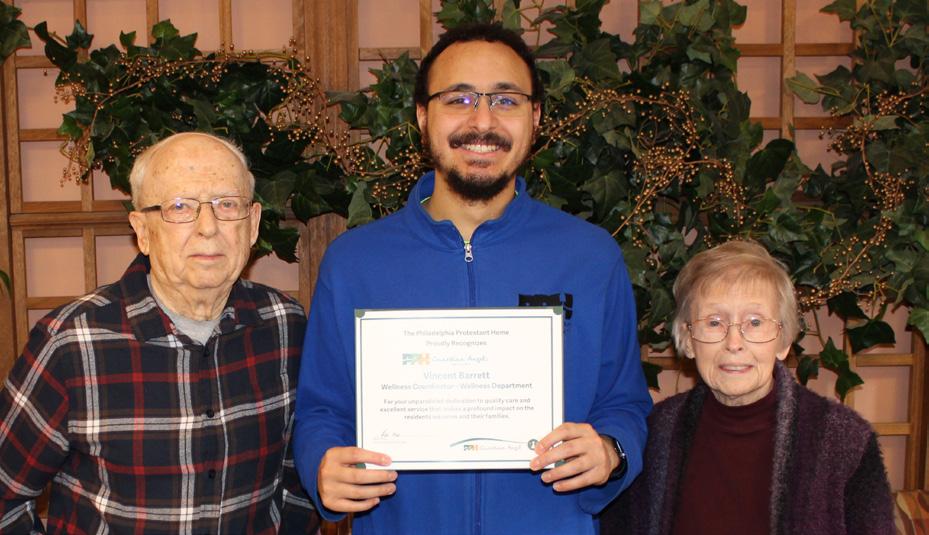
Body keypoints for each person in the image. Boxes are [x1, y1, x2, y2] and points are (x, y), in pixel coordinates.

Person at [293, 23, 652, 534]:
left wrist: (612, 451)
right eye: (458, 99)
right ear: (423, 116)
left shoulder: (591, 257)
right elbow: (321, 410)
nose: (482, 121)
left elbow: (625, 403)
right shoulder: (354, 262)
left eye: (506, 100)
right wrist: (322, 464)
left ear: (535, 117)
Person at [0, 132, 319, 534]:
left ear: (252, 224)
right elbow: (6, 495)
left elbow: (299, 476)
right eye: (180, 207)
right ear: (143, 231)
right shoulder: (72, 341)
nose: (208, 227)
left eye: (227, 204)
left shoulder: (285, 326)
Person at [600, 240, 894, 535]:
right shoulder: (653, 436)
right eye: (714, 322)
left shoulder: (845, 441)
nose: (734, 343)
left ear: (783, 340)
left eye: (754, 322)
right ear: (688, 340)